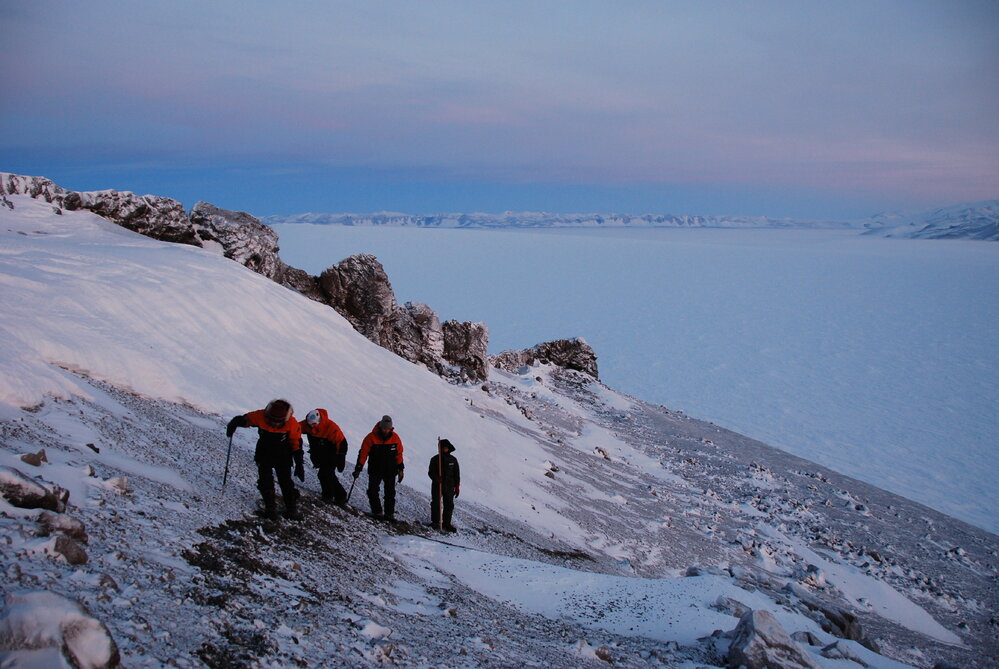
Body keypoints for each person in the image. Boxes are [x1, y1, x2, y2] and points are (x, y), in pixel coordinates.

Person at [227, 398, 305, 520]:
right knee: (265, 480)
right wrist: (235, 422)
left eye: (278, 421)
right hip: (264, 452)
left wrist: (299, 462)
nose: (275, 423)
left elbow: (296, 442)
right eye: (272, 420)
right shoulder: (261, 416)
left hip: (282, 455)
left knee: (285, 482)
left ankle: (291, 510)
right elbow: (246, 420)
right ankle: (271, 509)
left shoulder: (292, 423)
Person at [352, 415, 404, 520]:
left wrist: (400, 469)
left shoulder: (395, 438)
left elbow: (399, 454)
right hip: (375, 470)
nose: (386, 431)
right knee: (372, 491)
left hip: (390, 470)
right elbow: (363, 453)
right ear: (380, 426)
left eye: (388, 429)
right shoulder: (370, 437)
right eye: (384, 428)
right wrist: (358, 467)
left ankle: (389, 514)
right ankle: (377, 512)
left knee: (390, 493)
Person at [300, 408, 349, 505]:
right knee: (327, 474)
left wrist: (341, 457)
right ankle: (341, 495)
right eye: (310, 424)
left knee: (325, 474)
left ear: (319, 420)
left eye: (314, 424)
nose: (312, 426)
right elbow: (295, 428)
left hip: (332, 454)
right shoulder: (306, 425)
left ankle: (328, 496)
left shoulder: (331, 427)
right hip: (319, 454)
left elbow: (342, 443)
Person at [428, 438, 460, 532]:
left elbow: (456, 474)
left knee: (449, 504)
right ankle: (435, 522)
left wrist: (457, 486)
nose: (444, 449)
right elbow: (430, 472)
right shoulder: (435, 459)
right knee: (436, 503)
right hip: (437, 485)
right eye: (442, 448)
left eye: (445, 448)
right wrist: (436, 478)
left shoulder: (453, 460)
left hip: (449, 486)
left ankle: (446, 523)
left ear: (449, 448)